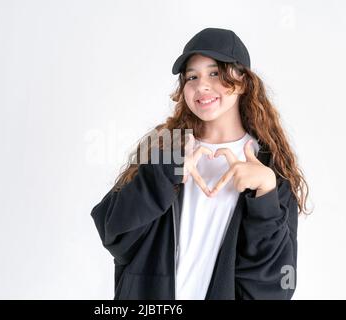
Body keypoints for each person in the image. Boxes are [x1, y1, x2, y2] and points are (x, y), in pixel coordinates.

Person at [90, 28, 310, 300]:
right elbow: (115, 233)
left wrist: (264, 197)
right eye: (192, 77)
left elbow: (275, 288)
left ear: (242, 81)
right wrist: (165, 173)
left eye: (215, 73)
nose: (201, 85)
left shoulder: (268, 171)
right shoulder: (167, 148)